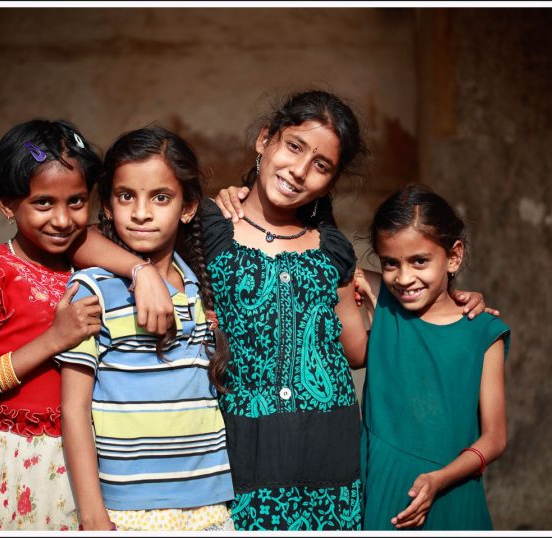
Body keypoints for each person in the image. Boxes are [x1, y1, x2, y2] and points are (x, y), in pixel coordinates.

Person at [72, 90, 489, 530]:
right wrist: (141, 272)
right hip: (239, 454)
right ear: (265, 140)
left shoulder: (332, 248)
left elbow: (356, 350)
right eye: (294, 146)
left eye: (321, 165)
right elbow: (81, 237)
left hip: (331, 455)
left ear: (331, 181)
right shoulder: (207, 224)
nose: (300, 170)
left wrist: (443, 304)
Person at [56, 126, 235, 531]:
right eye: (126, 196)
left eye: (160, 197)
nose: (141, 212)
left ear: (188, 207)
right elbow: (74, 408)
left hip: (210, 506)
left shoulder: (195, 288)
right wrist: (92, 515)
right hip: (128, 510)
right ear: (107, 206)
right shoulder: (94, 289)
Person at [0, 119, 104, 530]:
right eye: (43, 203)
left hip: (86, 461)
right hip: (8, 463)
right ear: (7, 205)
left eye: (77, 201)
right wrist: (53, 340)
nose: (62, 220)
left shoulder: (95, 269)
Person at [355, 184, 510, 530]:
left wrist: (440, 479)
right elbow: (319, 260)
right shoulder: (380, 298)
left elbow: (495, 437)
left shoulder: (482, 331)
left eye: (420, 261)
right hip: (383, 492)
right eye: (390, 263)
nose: (404, 277)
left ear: (453, 256)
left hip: (453, 494)